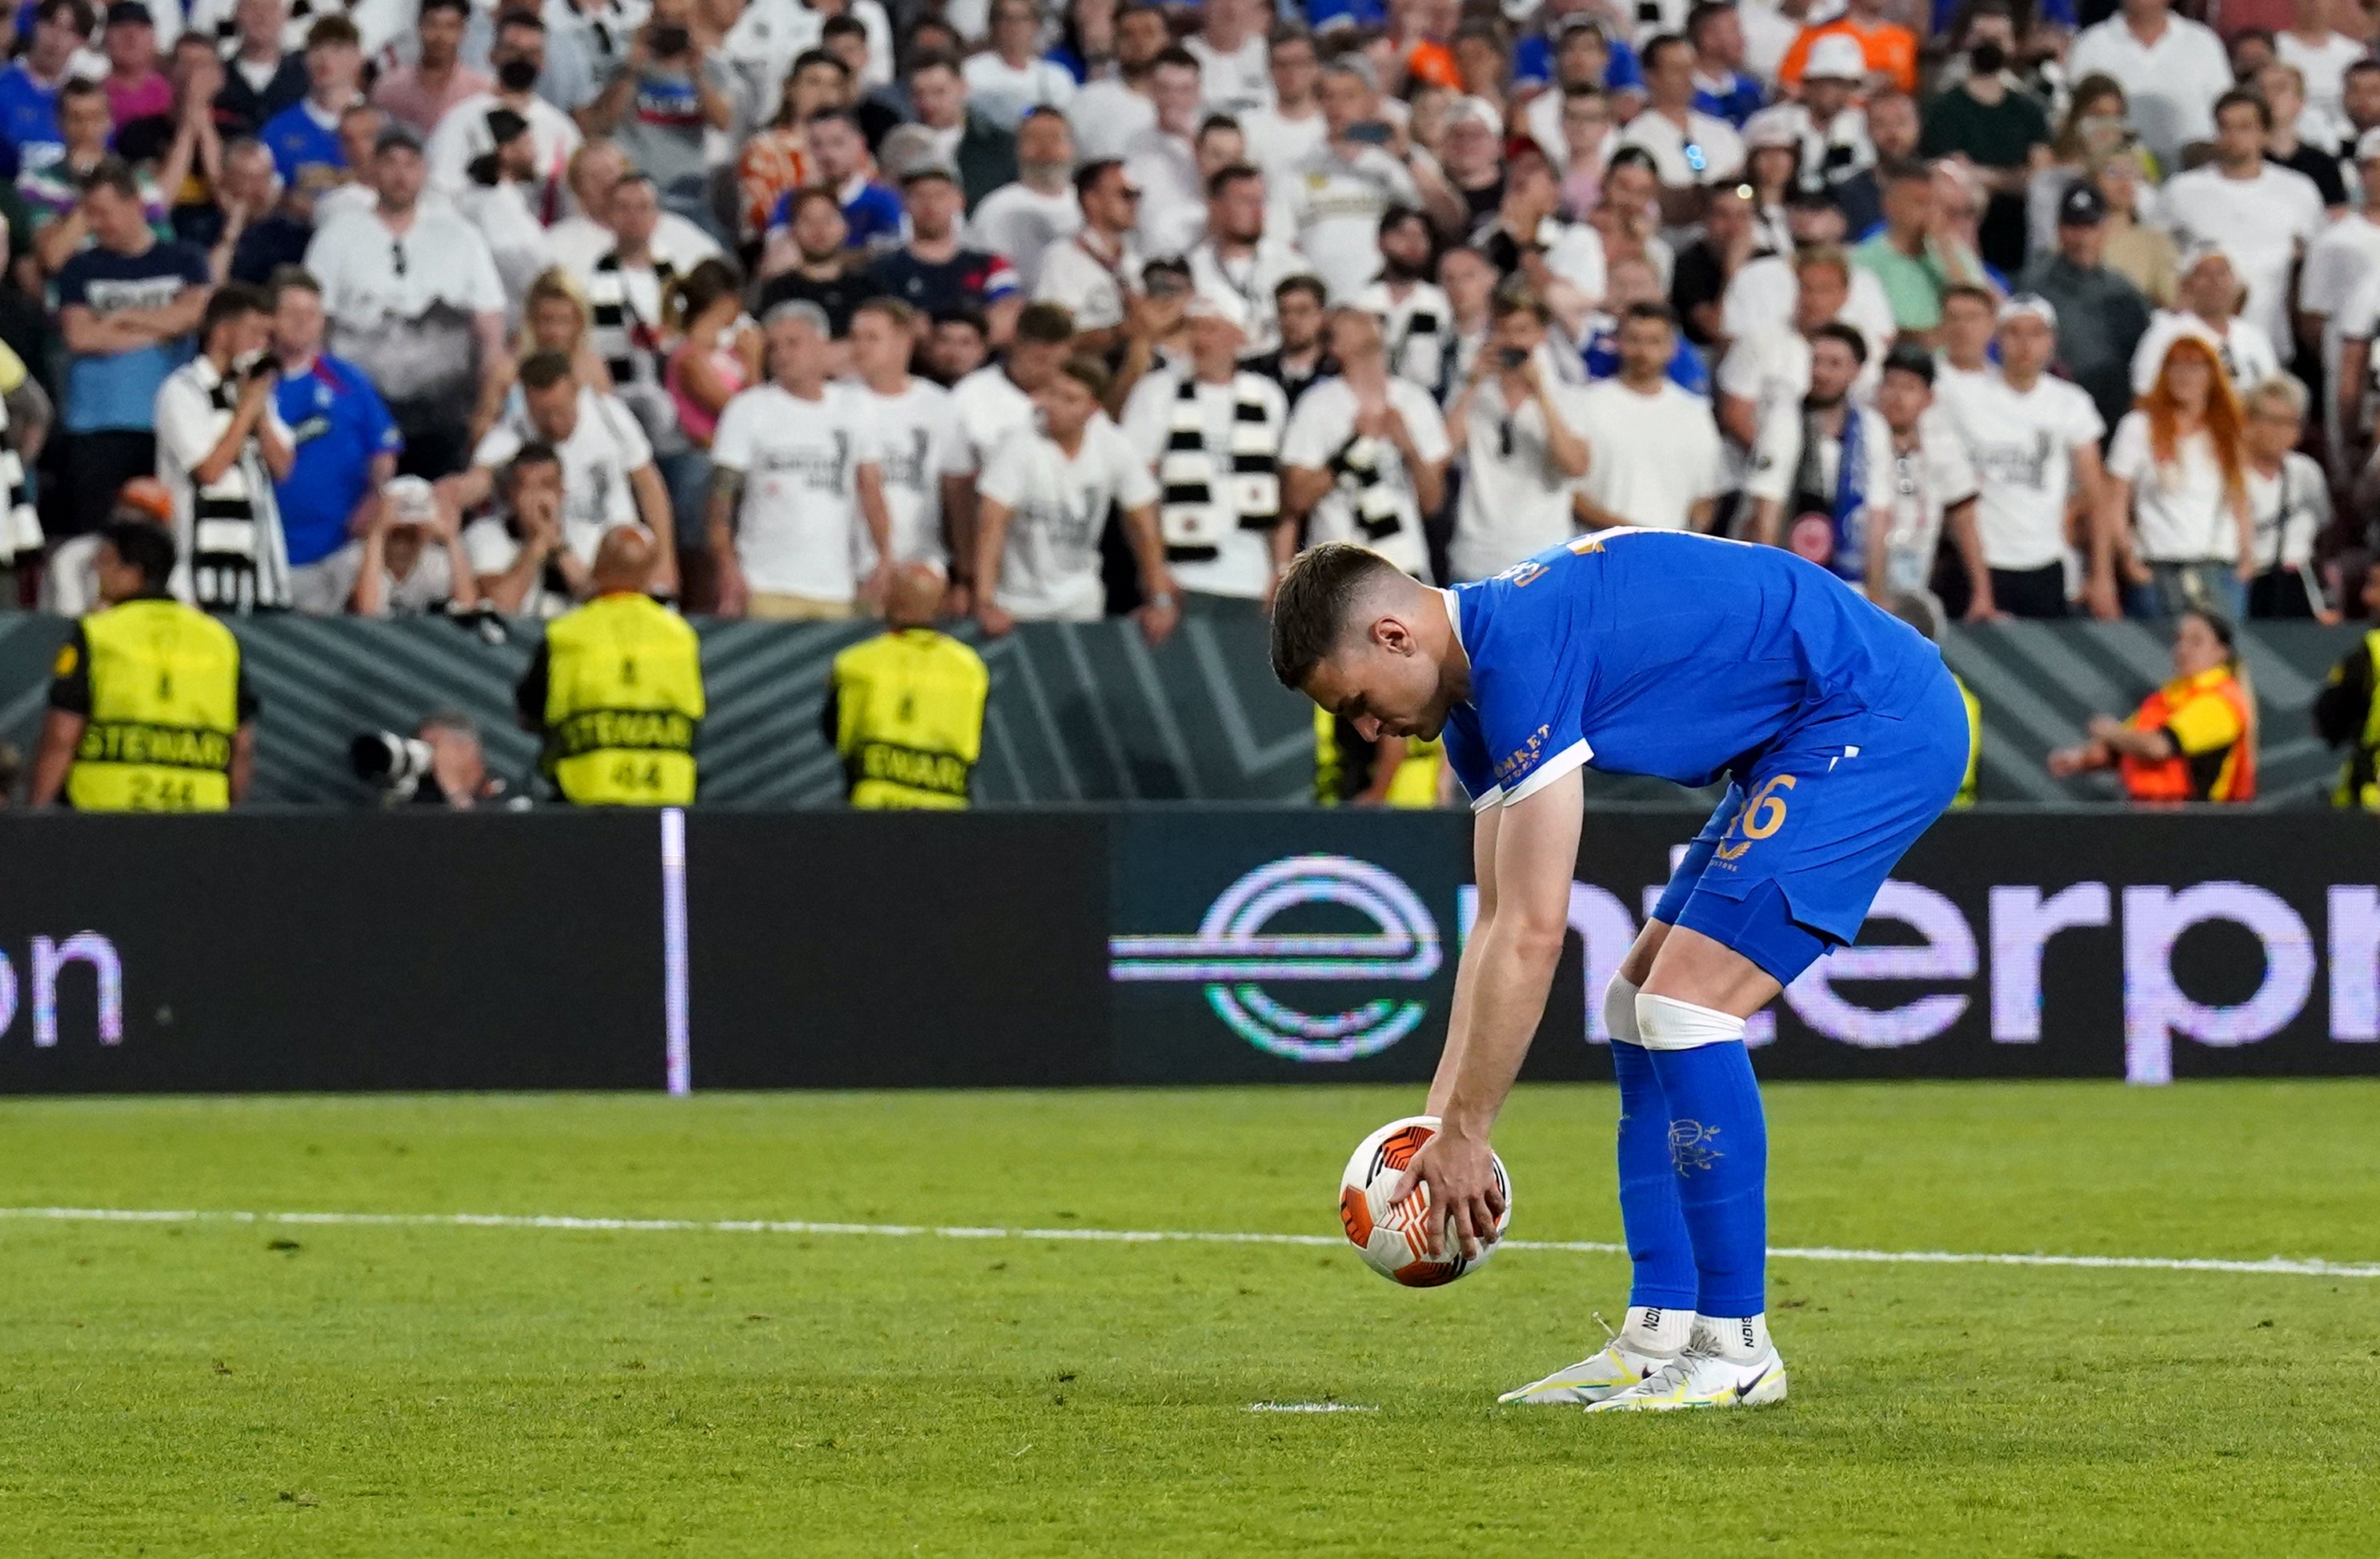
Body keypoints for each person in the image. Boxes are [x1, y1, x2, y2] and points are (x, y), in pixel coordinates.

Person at [1265, 519, 1969, 1409]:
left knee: (1685, 1009)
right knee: (1636, 1004)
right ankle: (1657, 1337)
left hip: (1876, 715)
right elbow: (1491, 922)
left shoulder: (1517, 659)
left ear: (1394, 636)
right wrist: (1437, 1127)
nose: (1367, 728)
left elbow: (1535, 929)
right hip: (1797, 738)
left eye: (1357, 702)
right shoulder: (1476, 698)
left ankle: (1737, 1347)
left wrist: (1472, 1136)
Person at [303, 124, 507, 480]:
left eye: (410, 164)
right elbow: (314, 324)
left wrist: (486, 406)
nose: (400, 174)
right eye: (390, 163)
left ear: (424, 171)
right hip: (358, 417)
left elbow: (490, 327)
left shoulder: (460, 236)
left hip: (445, 418)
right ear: (373, 169)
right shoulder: (337, 236)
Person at [29, 519, 259, 811]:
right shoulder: (219, 638)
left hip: (103, 816)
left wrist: (34, 815)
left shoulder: (96, 633)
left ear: (133, 573)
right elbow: (242, 746)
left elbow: (61, 735)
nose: (98, 574)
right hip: (200, 817)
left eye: (106, 563)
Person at [51, 158, 211, 543]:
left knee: (163, 536)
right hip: (96, 425)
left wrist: (124, 317)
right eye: (89, 214)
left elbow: (194, 316)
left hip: (168, 421)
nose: (95, 224)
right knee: (96, 536)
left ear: (135, 204)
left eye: (103, 213)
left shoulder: (184, 259)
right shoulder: (80, 268)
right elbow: (81, 338)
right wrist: (160, 327)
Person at [705, 300, 890, 621]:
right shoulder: (748, 409)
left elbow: (871, 492)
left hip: (836, 587)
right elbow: (721, 499)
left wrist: (885, 560)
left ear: (822, 344)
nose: (782, 354)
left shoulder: (855, 408)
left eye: (793, 343)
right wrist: (727, 567)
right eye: (773, 346)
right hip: (764, 584)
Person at [975, 353, 1176, 639]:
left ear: (1093, 408)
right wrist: (985, 601)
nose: (1054, 406)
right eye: (1053, 394)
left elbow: (1144, 525)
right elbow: (991, 524)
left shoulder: (1113, 445)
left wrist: (1160, 598)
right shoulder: (1018, 446)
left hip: (1081, 600)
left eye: (1069, 399)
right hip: (1016, 603)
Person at [1939, 296, 2114, 619]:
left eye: (2036, 333)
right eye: (2013, 332)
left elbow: (2096, 492)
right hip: (1978, 561)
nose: (2025, 344)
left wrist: (2101, 575)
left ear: (2051, 341)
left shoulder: (2070, 403)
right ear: (1997, 337)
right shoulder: (1962, 394)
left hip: (2043, 561)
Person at [455, 351, 679, 600]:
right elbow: (479, 478)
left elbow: (649, 486)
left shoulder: (609, 416)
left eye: (559, 410)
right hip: (553, 542)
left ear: (575, 391)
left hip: (617, 547)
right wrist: (452, 495)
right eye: (542, 414)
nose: (553, 421)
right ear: (526, 401)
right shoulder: (513, 432)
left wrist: (666, 562)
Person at [1119, 289, 1291, 607]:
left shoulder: (1267, 396)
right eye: (1193, 328)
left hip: (1253, 579)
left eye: (1210, 329)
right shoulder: (1156, 392)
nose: (1200, 340)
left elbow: (1281, 492)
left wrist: (1281, 571)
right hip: (1181, 579)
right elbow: (1136, 493)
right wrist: (1155, 573)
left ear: (1237, 337)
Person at [514, 526, 703, 808]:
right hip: (668, 801)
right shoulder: (681, 635)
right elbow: (696, 712)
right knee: (672, 854)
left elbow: (529, 710)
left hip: (585, 802)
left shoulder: (566, 633)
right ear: (649, 574)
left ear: (597, 568)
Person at [152, 281, 296, 615]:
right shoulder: (181, 391)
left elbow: (283, 467)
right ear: (222, 332)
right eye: (255, 333)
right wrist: (246, 410)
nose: (262, 345)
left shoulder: (255, 392)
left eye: (267, 336)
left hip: (260, 568)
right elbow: (209, 470)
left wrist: (257, 412)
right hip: (198, 566)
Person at [266, 266, 402, 613]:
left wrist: (375, 496)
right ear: (270, 318)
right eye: (292, 313)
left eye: (311, 314)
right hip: (269, 553)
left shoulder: (348, 380)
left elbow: (383, 450)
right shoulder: (253, 381)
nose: (302, 322)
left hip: (340, 547)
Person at [1280, 308, 1450, 582]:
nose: (1366, 318)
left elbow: (1432, 503)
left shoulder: (1415, 401)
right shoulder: (1317, 405)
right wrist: (1353, 448)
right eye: (1350, 318)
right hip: (1340, 576)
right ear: (1336, 347)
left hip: (1404, 572)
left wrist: (1408, 447)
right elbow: (1296, 497)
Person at [2156, 90, 2325, 354]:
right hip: (2199, 343)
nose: (2233, 137)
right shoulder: (2182, 190)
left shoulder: (2299, 191)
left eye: (2245, 127)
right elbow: (2157, 257)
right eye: (2225, 127)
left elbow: (2315, 267)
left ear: (2265, 134)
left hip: (2272, 342)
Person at [1443, 288, 1593, 581]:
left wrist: (1542, 395)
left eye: (1522, 330)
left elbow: (1576, 466)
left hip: (1544, 555)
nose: (1511, 340)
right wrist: (1471, 383)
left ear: (1542, 335)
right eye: (1503, 330)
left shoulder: (1567, 396)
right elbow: (1443, 453)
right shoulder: (1471, 391)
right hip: (1476, 553)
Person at [2104, 335, 2256, 621]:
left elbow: (2239, 498)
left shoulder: (2227, 430)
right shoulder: (2139, 427)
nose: (2185, 376)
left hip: (2218, 565)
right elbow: (2116, 499)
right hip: (2159, 563)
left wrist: (2247, 554)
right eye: (2176, 366)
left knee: (2220, 658)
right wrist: (2127, 556)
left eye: (2195, 367)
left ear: (2213, 375)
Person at [823, 559, 991, 809]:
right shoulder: (971, 668)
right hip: (946, 812)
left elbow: (832, 730)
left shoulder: (855, 662)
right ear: (940, 604)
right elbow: (979, 731)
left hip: (871, 811)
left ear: (893, 602)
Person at [2047, 606, 2256, 803]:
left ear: (2221, 652)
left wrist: (2110, 732)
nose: (2183, 649)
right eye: (2179, 639)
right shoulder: (2165, 698)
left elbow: (2158, 746)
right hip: (2146, 814)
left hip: (2197, 822)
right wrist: (2079, 759)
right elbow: (2118, 748)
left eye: (2196, 642)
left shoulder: (2219, 702)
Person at [1280, 58, 1447, 302]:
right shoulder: (1297, 169)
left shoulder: (1405, 160)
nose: (1337, 106)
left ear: (1372, 101)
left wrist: (1404, 156)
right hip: (1322, 301)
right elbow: (1282, 243)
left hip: (1389, 300)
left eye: (1349, 96)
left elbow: (1446, 217)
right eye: (1328, 96)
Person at [1918, 2, 2050, 276]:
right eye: (1982, 37)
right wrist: (2009, 178)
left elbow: (2039, 177)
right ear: (1966, 41)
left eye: (1998, 38)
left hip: (2019, 235)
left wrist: (1980, 175)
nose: (1990, 45)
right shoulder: (1943, 108)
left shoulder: (2030, 110)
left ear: (2013, 45)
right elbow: (1944, 175)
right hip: (1958, 237)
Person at [847, 297, 971, 591]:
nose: (860, 347)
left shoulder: (940, 405)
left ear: (904, 341)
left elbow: (957, 494)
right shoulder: (838, 402)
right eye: (855, 338)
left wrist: (965, 577)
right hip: (849, 569)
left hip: (922, 567)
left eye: (872, 338)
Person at [2014, 182, 2152, 438]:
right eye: (2073, 227)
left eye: (2090, 227)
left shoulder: (2124, 292)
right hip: (2049, 415)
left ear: (2104, 230)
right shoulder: (2034, 287)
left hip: (2113, 419)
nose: (2082, 239)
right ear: (2059, 230)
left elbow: (2145, 360)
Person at [425, 10, 581, 218]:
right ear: (493, 54)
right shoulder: (460, 120)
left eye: (532, 52)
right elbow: (438, 193)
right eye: (513, 49)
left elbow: (575, 201)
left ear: (543, 60)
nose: (522, 59)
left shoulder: (563, 130)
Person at [1872, 343, 1989, 614]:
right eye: (1891, 385)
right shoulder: (1858, 440)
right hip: (1858, 582)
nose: (1898, 397)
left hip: (1914, 588)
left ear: (1929, 398)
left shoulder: (1942, 447)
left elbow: (1965, 522)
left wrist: (1983, 593)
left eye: (1910, 388)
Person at [2064, 0, 2234, 167]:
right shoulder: (2091, 44)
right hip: (2113, 171)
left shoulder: (2203, 42)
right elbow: (2072, 115)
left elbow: (2226, 109)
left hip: (2195, 169)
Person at [868, 166, 1022, 341]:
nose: (930, 204)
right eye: (920, 196)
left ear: (959, 200)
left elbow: (1009, 313)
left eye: (940, 195)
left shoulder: (993, 264)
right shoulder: (883, 268)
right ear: (905, 203)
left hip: (984, 365)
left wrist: (965, 342)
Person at [1851, 160, 1989, 345]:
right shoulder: (1862, 261)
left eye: (1934, 203)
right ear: (1889, 205)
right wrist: (1927, 338)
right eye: (1920, 203)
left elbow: (1976, 308)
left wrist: (1945, 248)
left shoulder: (1955, 253)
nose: (1930, 212)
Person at [1184, 163, 1308, 359]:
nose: (1256, 211)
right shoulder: (1193, 268)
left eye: (1259, 202)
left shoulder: (1293, 267)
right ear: (1216, 207)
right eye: (1244, 201)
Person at [2130, 246, 2282, 399]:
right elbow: (2145, 393)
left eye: (2223, 273)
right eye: (2204, 274)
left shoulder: (2255, 337)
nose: (2215, 282)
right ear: (2187, 283)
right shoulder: (2165, 334)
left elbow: (2274, 395)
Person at [2238, 375, 2332, 619]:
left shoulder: (2307, 472)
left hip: (2299, 582)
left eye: (2290, 422)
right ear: (2248, 421)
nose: (2280, 431)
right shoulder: (2233, 475)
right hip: (2246, 582)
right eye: (2272, 421)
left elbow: (2324, 532)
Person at [1616, 34, 1745, 200]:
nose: (1687, 78)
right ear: (1651, 77)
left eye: (1690, 69)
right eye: (1677, 70)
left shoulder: (1721, 131)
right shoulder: (1637, 137)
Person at [967, 107, 1080, 295]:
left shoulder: (1088, 203)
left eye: (1055, 138)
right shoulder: (996, 208)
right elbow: (980, 270)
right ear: (1018, 148)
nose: (1046, 148)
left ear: (1073, 147)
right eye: (1034, 139)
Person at [1033, 159, 1142, 352]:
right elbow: (1055, 335)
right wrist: (1119, 332)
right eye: (1125, 195)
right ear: (1092, 200)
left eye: (1137, 195)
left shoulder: (1135, 261)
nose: (1134, 203)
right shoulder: (1063, 258)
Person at [336, 473, 478, 616]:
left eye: (413, 534)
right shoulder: (354, 559)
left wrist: (452, 539)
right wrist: (377, 533)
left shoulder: (434, 562)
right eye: (396, 532)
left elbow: (467, 608)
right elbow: (367, 613)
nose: (403, 543)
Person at [1355, 207, 1453, 395]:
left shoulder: (1440, 302)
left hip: (1426, 398)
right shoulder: (1362, 303)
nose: (1413, 243)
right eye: (1403, 233)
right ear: (1381, 242)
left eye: (1421, 235)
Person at [258, 15, 362, 189]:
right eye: (316, 48)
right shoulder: (277, 130)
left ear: (358, 57)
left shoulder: (381, 126)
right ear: (305, 59)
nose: (325, 58)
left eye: (336, 48)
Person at [371, 0, 489, 138]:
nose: (440, 36)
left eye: (450, 27)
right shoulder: (390, 88)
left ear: (462, 31)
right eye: (432, 25)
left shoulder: (479, 92)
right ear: (419, 27)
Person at [2314, 560, 2380, 808]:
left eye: (2375, 585)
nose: (2366, 597)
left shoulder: (2373, 650)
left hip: (2370, 804)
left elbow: (2329, 718)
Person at [964, 0, 1076, 130]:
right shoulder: (971, 72)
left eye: (1022, 19)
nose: (1014, 26)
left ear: (1036, 25)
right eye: (1006, 18)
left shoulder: (1057, 77)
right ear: (994, 24)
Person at [1777, 0, 1918, 95]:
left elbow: (1908, 89)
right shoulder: (1818, 33)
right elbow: (1788, 84)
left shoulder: (1904, 39)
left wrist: (1887, 82)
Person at [1246, 274, 1335, 408]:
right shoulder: (1253, 371)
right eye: (1284, 312)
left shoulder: (1336, 374)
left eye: (1302, 311)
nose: (1291, 320)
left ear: (1323, 316)